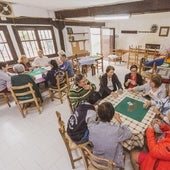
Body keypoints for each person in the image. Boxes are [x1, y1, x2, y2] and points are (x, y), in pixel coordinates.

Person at [88, 102, 132, 168]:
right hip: (111, 164)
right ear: (112, 116)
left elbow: (91, 143)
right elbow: (129, 133)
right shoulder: (116, 130)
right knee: (120, 145)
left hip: (96, 160)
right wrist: (119, 120)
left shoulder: (92, 128)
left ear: (98, 115)